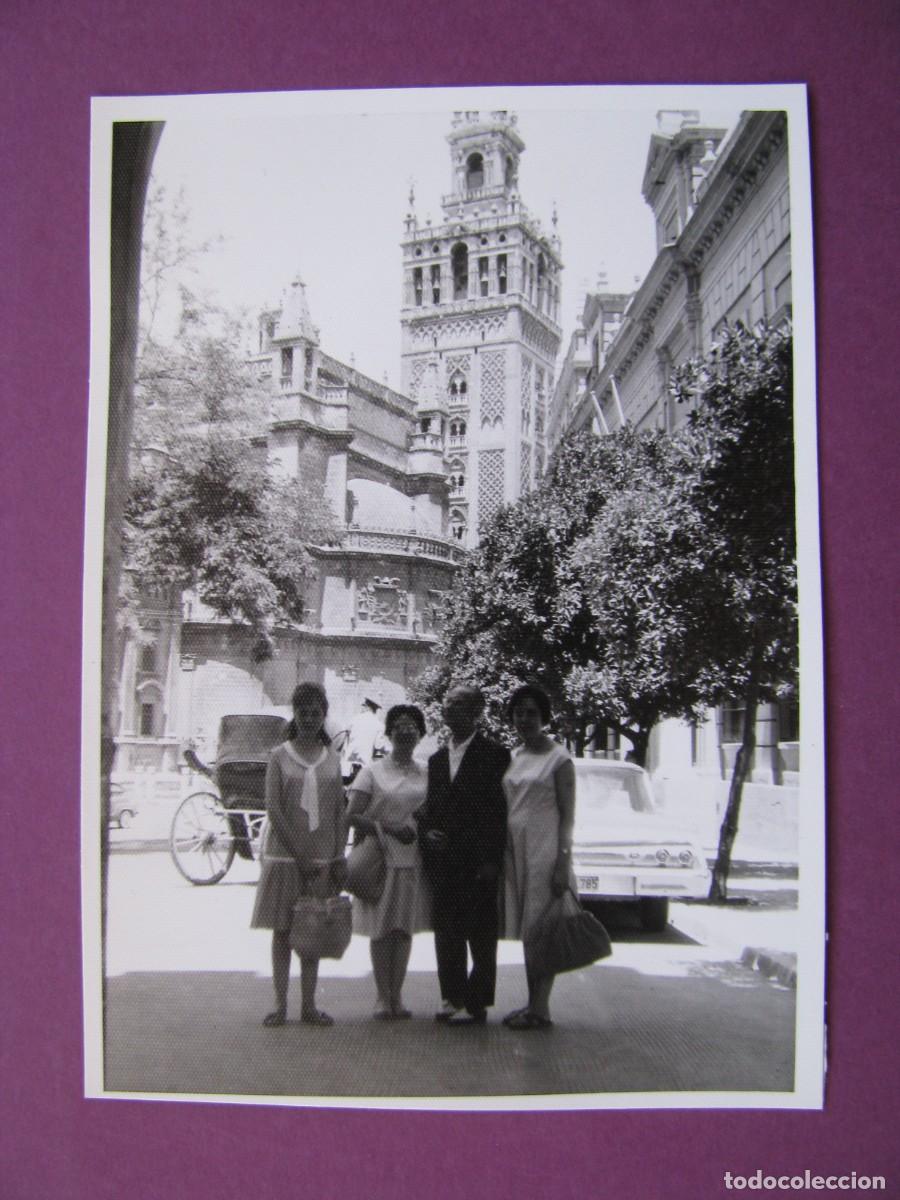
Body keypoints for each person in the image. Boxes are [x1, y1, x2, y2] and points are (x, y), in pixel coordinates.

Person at [251, 682, 347, 1027]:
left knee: (312, 933)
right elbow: (274, 810)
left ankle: (308, 1006)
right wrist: (300, 856)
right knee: (282, 932)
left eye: (315, 713)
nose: (309, 719)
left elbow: (339, 812)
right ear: (294, 714)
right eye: (303, 712)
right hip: (285, 858)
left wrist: (338, 857)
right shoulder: (279, 756)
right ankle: (280, 1005)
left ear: (324, 715)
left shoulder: (333, 759)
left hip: (321, 860)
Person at [418, 684, 510, 1025]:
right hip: (443, 861)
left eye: (457, 705)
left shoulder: (496, 755)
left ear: (475, 713)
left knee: (481, 933)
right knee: (447, 931)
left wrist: (491, 861)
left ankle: (477, 1002)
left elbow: (498, 813)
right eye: (446, 704)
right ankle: (451, 997)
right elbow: (431, 808)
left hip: (478, 861)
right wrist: (428, 834)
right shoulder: (436, 760)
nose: (448, 710)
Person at [346, 704, 431, 1020]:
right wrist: (390, 828)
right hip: (380, 860)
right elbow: (351, 816)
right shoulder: (372, 772)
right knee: (382, 929)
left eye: (413, 725)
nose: (406, 730)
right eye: (400, 725)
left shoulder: (427, 772)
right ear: (389, 731)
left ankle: (398, 995)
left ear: (420, 733)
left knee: (403, 930)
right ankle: (382, 996)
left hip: (413, 861)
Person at [500, 683, 577, 1031]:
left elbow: (568, 815)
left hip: (545, 854)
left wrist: (563, 861)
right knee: (530, 932)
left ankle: (541, 1008)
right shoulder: (516, 756)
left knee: (543, 932)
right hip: (517, 853)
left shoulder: (559, 759)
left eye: (532, 713)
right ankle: (533, 1004)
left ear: (544, 717)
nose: (524, 719)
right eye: (519, 712)